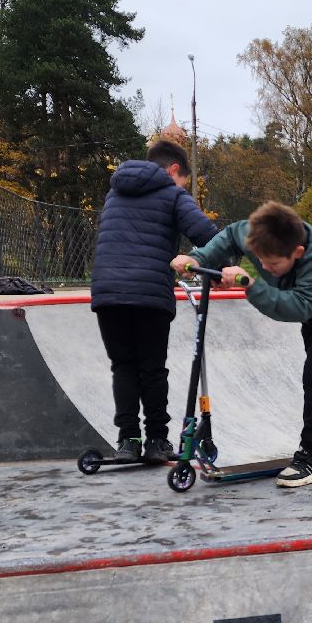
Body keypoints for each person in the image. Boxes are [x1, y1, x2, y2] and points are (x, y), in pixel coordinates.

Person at [171, 200, 312, 488]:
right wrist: (198, 258)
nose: (266, 268)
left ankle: (311, 457)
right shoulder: (253, 233)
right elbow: (228, 237)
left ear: (297, 252)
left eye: (274, 264)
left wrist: (250, 286)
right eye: (261, 261)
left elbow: (299, 306)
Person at [90, 139, 218, 465]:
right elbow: (204, 233)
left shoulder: (115, 191)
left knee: (123, 366)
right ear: (174, 170)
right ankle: (157, 441)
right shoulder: (172, 192)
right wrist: (225, 264)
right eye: (184, 181)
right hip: (148, 294)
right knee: (151, 368)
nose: (183, 187)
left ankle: (128, 441)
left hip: (107, 293)